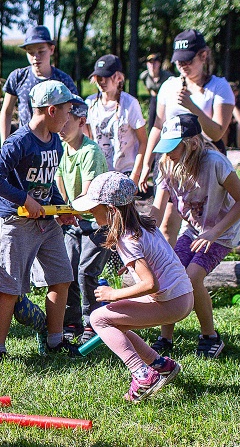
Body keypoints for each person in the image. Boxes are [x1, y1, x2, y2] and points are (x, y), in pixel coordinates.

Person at [0, 79, 81, 363]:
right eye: (66, 109)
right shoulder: (19, 142)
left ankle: (54, 341)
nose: (69, 116)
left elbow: (48, 185)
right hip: (16, 221)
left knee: (61, 278)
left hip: (46, 222)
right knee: (9, 287)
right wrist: (24, 200)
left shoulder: (56, 143)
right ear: (51, 110)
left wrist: (61, 208)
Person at [71, 172, 191, 403]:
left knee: (99, 319)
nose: (89, 212)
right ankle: (161, 365)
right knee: (115, 321)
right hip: (181, 295)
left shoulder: (127, 238)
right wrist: (132, 268)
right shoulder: (143, 226)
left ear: (111, 210)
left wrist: (113, 294)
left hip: (170, 301)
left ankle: (143, 374)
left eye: (94, 207)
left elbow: (150, 283)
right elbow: (158, 260)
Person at [149, 113, 240, 359]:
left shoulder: (216, 163)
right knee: (170, 274)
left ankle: (210, 336)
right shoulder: (167, 164)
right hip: (194, 230)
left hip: (221, 233)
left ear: (192, 143)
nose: (169, 153)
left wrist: (215, 232)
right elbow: (157, 209)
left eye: (174, 146)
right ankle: (166, 337)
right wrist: (140, 241)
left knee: (192, 277)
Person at [141, 30, 236, 243]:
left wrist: (192, 107)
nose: (183, 65)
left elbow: (217, 132)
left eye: (188, 60)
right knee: (166, 224)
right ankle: (171, 271)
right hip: (172, 161)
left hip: (204, 162)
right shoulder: (169, 85)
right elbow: (158, 125)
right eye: (178, 61)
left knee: (200, 222)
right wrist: (147, 163)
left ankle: (194, 267)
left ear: (203, 56)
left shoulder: (219, 87)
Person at [55, 98, 111, 340]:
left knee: (86, 271)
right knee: (67, 270)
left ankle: (93, 322)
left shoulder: (91, 152)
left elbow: (87, 193)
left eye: (69, 120)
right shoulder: (62, 149)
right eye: (61, 119)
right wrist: (62, 210)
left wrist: (69, 209)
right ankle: (72, 321)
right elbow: (59, 184)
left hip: (98, 223)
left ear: (82, 121)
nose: (63, 125)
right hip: (74, 223)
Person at [0, 26, 81, 143]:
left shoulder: (63, 80)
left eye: (41, 51)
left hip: (56, 147)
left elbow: (75, 114)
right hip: (26, 145)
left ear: (51, 49)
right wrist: (5, 145)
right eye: (30, 52)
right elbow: (7, 112)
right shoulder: (18, 77)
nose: (35, 57)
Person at [84, 54, 147, 183]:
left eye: (106, 77)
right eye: (99, 77)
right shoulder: (90, 103)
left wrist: (135, 176)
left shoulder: (130, 104)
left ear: (118, 77)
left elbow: (143, 141)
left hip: (125, 171)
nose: (102, 82)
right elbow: (88, 138)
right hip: (100, 172)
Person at [139, 52, 173, 130]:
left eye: (155, 63)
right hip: (153, 99)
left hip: (165, 101)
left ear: (159, 64)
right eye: (150, 63)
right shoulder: (144, 76)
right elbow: (147, 86)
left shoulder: (167, 76)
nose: (152, 65)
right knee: (152, 122)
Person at [225, 82, 240, 150]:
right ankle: (223, 148)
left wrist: (232, 104)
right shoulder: (219, 102)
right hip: (224, 131)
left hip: (237, 131)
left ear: (236, 92)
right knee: (224, 125)